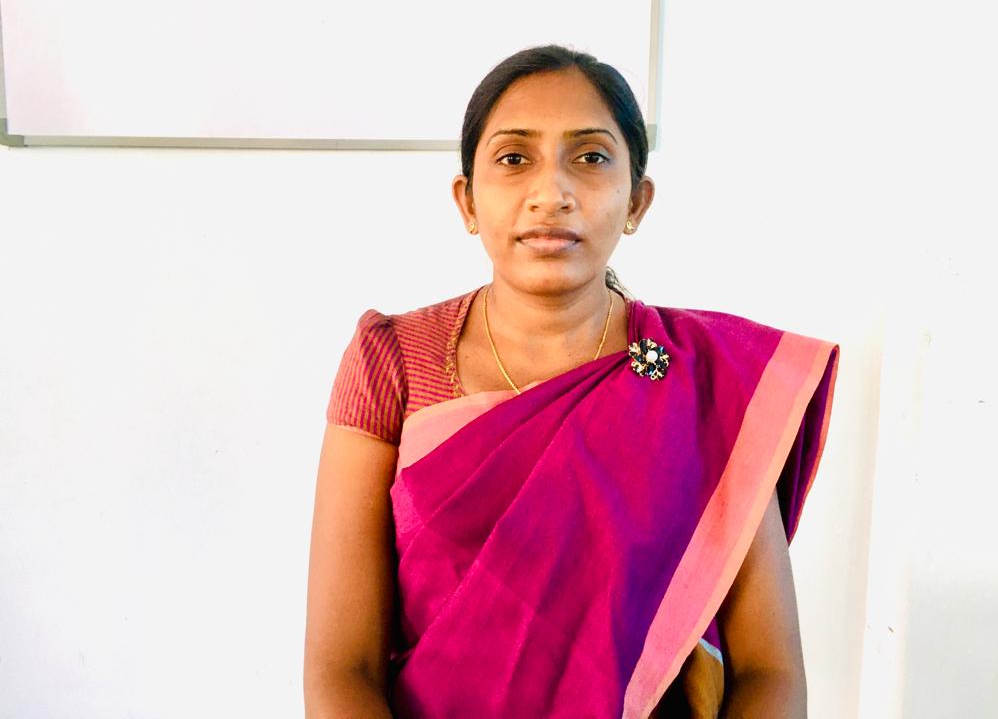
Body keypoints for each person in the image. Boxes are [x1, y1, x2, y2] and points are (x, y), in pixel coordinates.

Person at [304, 44, 840, 718]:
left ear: (637, 200)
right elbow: (341, 669)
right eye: (513, 158)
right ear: (467, 200)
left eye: (590, 157)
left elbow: (771, 672)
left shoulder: (709, 380)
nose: (551, 193)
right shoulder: (393, 362)